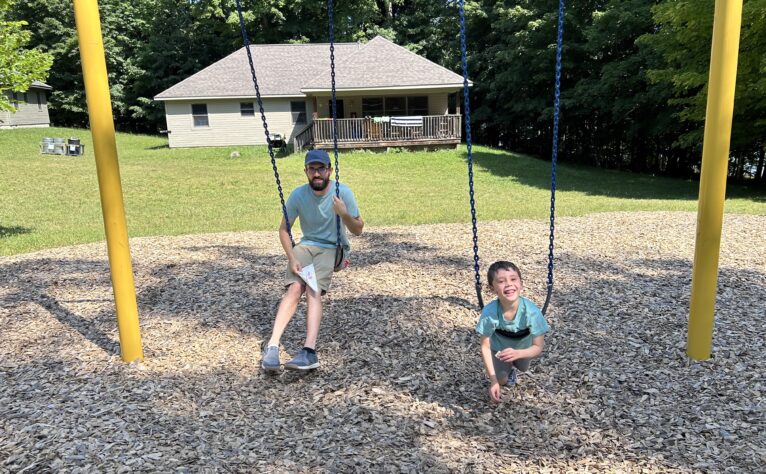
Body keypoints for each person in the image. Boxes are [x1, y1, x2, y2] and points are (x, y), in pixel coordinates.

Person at [261, 149, 364, 372]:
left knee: (313, 289)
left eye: (321, 168)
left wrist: (344, 214)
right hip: (306, 245)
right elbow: (284, 230)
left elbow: (358, 229)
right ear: (306, 171)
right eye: (312, 169)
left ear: (329, 170)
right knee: (294, 288)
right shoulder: (298, 195)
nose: (316, 173)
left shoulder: (342, 193)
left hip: (332, 248)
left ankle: (309, 351)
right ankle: (272, 346)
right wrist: (291, 258)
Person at [475, 261, 550, 402]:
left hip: (523, 348)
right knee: (501, 380)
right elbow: (485, 346)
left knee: (523, 367)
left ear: (521, 284)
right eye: (501, 281)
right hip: (499, 350)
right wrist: (493, 381)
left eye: (513, 279)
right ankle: (507, 373)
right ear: (492, 288)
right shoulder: (490, 313)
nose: (509, 284)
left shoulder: (532, 312)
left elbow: (538, 347)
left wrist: (518, 353)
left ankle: (515, 364)